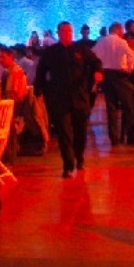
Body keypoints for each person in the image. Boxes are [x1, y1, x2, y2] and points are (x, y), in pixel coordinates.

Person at [36, 22, 99, 176]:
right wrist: (39, 92)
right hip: (59, 99)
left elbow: (96, 62)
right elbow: (41, 73)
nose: (67, 33)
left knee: (80, 131)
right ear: (58, 33)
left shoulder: (81, 49)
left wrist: (98, 72)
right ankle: (68, 165)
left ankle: (80, 158)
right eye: (63, 31)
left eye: (69, 31)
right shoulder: (51, 52)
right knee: (64, 132)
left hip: (80, 97)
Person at [93, 22, 134, 146]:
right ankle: (131, 136)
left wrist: (98, 70)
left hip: (105, 76)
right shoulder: (121, 42)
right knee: (129, 105)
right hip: (119, 75)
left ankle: (114, 138)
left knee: (111, 107)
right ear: (118, 30)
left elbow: (93, 55)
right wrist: (129, 69)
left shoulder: (101, 41)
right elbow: (131, 56)